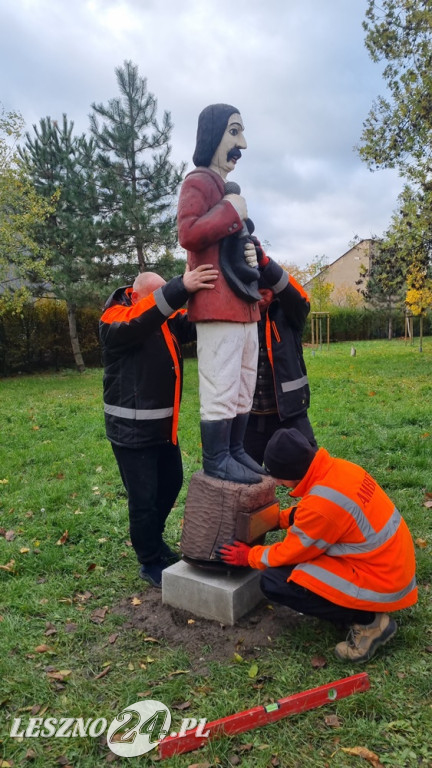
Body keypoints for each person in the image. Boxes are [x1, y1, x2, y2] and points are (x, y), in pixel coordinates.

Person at [218, 427, 418, 663]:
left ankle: (369, 622)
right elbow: (313, 514)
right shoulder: (339, 470)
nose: (279, 483)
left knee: (276, 582)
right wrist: (276, 519)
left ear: (291, 473)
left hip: (381, 581)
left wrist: (249, 556)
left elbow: (290, 552)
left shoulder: (322, 506)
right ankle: (359, 611)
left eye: (279, 477)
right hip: (390, 567)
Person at [99, 262, 218, 587]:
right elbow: (141, 320)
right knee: (144, 499)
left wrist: (211, 295)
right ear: (136, 295)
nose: (162, 305)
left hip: (163, 430)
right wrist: (180, 285)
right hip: (131, 434)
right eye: (156, 297)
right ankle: (149, 559)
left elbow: (193, 324)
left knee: (170, 485)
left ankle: (154, 540)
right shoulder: (115, 319)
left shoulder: (160, 317)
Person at [177, 103, 265, 485]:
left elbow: (233, 242)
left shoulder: (225, 189)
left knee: (244, 380)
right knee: (221, 381)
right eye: (234, 132)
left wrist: (250, 249)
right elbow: (189, 234)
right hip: (216, 302)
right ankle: (217, 458)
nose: (241, 144)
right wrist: (230, 211)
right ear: (213, 134)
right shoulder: (197, 183)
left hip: (243, 304)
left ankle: (235, 449)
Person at [243, 240, 317, 465]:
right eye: (254, 294)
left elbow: (299, 297)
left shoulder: (289, 315)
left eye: (264, 293)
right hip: (250, 418)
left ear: (273, 292)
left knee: (311, 466)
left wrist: (266, 263)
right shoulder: (241, 318)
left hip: (289, 413)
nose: (259, 299)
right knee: (244, 477)